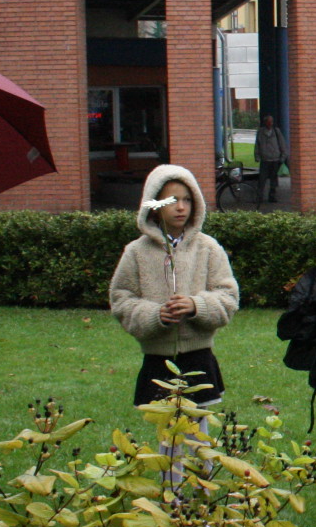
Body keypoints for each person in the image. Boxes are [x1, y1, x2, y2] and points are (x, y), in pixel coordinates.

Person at [109, 164, 240, 412]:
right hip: (157, 360)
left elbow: (228, 297)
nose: (181, 207)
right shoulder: (136, 252)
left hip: (199, 358)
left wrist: (197, 305)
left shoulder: (208, 248)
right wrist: (154, 314)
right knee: (165, 429)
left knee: (197, 428)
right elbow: (121, 300)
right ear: (154, 205)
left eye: (187, 200)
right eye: (172, 200)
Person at [255, 113, 288, 205]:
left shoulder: (276, 132)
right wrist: (257, 156)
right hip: (265, 160)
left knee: (274, 180)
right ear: (265, 122)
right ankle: (259, 196)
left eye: (271, 122)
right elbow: (257, 145)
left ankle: (272, 196)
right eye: (268, 122)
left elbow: (282, 144)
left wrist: (283, 157)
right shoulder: (260, 132)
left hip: (275, 160)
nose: (270, 124)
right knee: (262, 179)